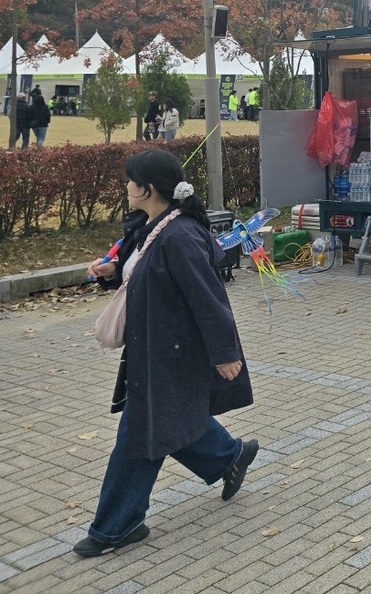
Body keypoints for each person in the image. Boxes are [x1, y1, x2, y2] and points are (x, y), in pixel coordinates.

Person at [76, 148, 256, 557]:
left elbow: (209, 299)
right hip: (151, 350)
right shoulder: (153, 226)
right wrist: (111, 270)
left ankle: (116, 526)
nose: (125, 186)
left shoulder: (181, 236)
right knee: (166, 422)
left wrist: (225, 353)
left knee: (141, 435)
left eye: (129, 180)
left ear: (147, 188)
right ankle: (230, 455)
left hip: (172, 355)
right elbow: (140, 271)